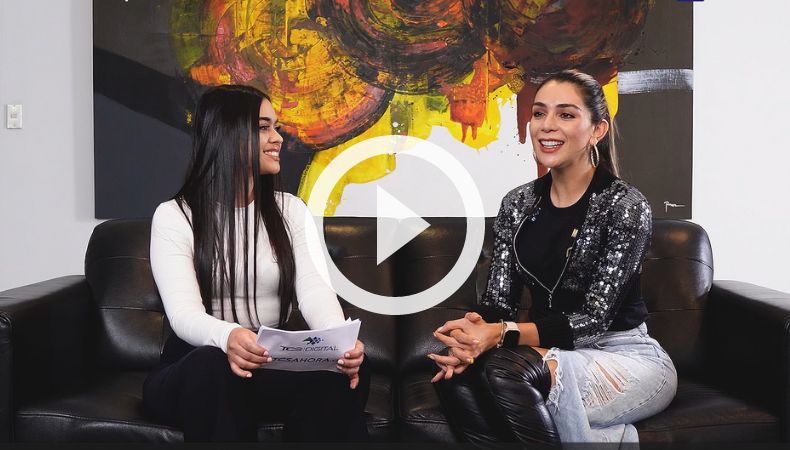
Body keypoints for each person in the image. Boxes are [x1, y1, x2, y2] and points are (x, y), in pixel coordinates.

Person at [428, 70, 677, 445]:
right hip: (549, 353)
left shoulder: (624, 205)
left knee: (509, 372)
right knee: (455, 376)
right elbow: (499, 301)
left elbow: (593, 321)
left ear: (596, 130)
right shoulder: (517, 203)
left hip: (624, 358)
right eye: (539, 113)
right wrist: (474, 333)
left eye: (566, 114)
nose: (547, 125)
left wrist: (502, 334)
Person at [143, 85, 369, 442]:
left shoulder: (291, 210)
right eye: (264, 127)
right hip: (198, 367)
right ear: (228, 133)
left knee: (347, 370)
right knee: (210, 365)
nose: (277, 138)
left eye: (275, 127)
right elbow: (183, 313)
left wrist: (338, 342)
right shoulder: (174, 216)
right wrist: (229, 336)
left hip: (269, 363)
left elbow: (314, 290)